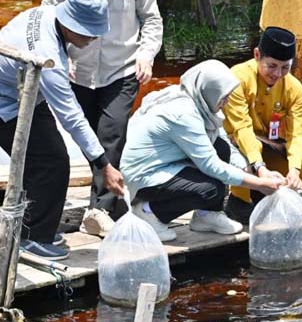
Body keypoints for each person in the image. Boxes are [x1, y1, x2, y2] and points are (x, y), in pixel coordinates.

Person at [0, 0, 125, 261]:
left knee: (46, 158)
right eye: (88, 34)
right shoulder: (48, 57)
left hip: (25, 93)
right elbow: (71, 116)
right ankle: (33, 238)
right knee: (51, 163)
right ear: (70, 24)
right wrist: (104, 165)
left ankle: (30, 226)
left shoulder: (46, 13)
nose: (92, 39)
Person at [43, 0, 163, 238]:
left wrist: (146, 55)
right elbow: (47, 13)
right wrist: (58, 56)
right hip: (77, 70)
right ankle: (103, 199)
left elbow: (152, 19)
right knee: (88, 136)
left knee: (112, 133)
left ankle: (100, 210)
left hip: (121, 69)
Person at [120, 60, 284, 242]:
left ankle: (206, 215)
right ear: (210, 90)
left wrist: (254, 170)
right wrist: (259, 184)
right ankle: (149, 212)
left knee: (221, 148)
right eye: (223, 96)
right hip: (144, 174)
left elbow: (223, 144)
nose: (227, 101)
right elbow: (211, 166)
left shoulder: (200, 101)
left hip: (168, 162)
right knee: (209, 189)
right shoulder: (183, 114)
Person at [221, 27, 302, 223]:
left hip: (268, 144)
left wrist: (294, 170)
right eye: (271, 66)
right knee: (244, 160)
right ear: (257, 55)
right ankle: (238, 200)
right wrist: (260, 168)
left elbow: (297, 134)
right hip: (235, 143)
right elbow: (241, 128)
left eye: (285, 67)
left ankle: (260, 191)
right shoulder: (237, 78)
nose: (278, 74)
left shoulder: (294, 88)